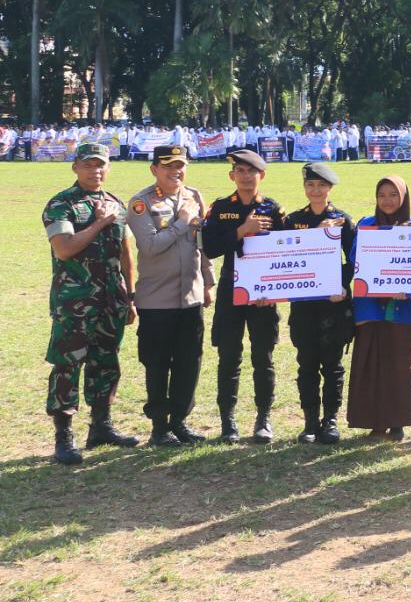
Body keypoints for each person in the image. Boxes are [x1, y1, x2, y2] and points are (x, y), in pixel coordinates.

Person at [41, 142, 138, 464]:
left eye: (101, 165)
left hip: (111, 299)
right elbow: (64, 249)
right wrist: (98, 223)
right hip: (75, 301)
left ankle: (101, 426)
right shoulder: (62, 204)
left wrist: (131, 295)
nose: (95, 170)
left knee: (106, 361)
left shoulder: (115, 203)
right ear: (75, 168)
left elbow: (125, 253)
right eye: (88, 165)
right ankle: (63, 436)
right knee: (68, 364)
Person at [127, 144, 213, 447]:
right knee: (158, 362)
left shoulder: (194, 196)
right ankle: (160, 427)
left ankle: (179, 421)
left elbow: (201, 242)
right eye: (168, 167)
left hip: (190, 296)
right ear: (154, 170)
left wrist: (208, 281)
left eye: (180, 166)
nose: (175, 172)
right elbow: (150, 246)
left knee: (189, 361)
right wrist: (180, 222)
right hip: (156, 299)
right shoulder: (141, 203)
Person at [202, 148, 286, 444]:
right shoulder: (221, 207)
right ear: (232, 175)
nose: (246, 176)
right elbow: (210, 248)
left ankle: (263, 419)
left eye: (252, 171)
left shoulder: (273, 210)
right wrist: (242, 230)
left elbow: (285, 253)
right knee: (229, 356)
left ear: (261, 175)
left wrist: (272, 290)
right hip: (230, 289)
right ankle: (228, 421)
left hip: (264, 292)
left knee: (263, 356)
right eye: (240, 171)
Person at [283, 162, 357, 444]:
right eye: (311, 185)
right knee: (307, 363)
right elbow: (286, 257)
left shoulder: (343, 220)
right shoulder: (292, 221)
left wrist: (342, 285)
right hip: (303, 303)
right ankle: (310, 421)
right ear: (304, 188)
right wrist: (317, 231)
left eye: (322, 185)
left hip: (332, 304)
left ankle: (331, 420)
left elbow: (353, 260)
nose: (316, 190)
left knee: (333, 363)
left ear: (330, 188)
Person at [348, 175, 411, 440]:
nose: (387, 200)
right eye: (382, 195)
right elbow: (357, 258)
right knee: (370, 363)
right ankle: (374, 422)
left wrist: (405, 286)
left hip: (401, 307)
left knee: (399, 364)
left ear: (403, 198)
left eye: (393, 195)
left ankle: (397, 421)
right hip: (369, 307)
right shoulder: (366, 224)